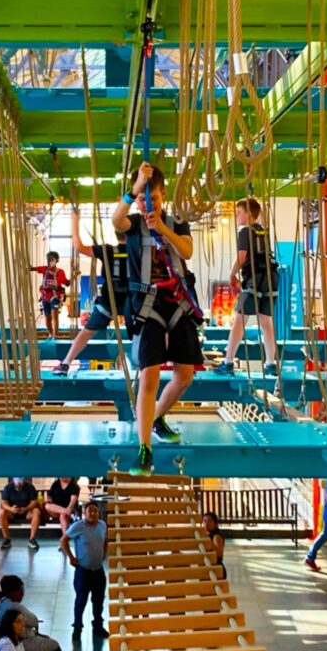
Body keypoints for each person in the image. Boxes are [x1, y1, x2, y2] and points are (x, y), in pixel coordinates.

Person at [112, 162, 204, 477]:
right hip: (148, 302)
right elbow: (115, 219)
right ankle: (144, 449)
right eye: (141, 199)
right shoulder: (133, 224)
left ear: (163, 195)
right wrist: (135, 187)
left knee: (185, 375)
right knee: (149, 375)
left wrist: (162, 228)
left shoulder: (177, 222)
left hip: (177, 299)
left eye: (152, 198)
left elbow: (188, 251)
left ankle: (155, 417)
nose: (146, 204)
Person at [54, 208, 128, 375]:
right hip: (132, 303)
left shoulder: (107, 250)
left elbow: (79, 246)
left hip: (108, 303)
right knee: (149, 332)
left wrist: (75, 219)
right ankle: (170, 365)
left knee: (86, 333)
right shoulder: (139, 251)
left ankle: (66, 363)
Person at [214, 197, 279, 376]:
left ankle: (227, 362)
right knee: (266, 322)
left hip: (254, 280)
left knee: (239, 321)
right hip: (270, 279)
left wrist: (232, 273)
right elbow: (262, 218)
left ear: (249, 214)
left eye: (239, 212)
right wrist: (260, 205)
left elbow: (242, 257)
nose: (237, 216)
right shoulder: (263, 231)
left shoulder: (244, 232)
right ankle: (271, 363)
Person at [60, 502, 108, 639]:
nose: (92, 514)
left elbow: (105, 540)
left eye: (95, 511)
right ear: (84, 513)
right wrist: (71, 557)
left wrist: (104, 553)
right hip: (83, 572)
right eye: (89, 511)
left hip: (98, 571)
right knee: (81, 600)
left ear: (98, 512)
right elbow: (64, 540)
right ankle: (77, 627)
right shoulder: (78, 526)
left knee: (98, 601)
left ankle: (98, 627)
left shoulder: (102, 525)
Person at [0, 575, 61, 651]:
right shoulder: (15, 608)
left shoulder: (2, 604)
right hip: (26, 641)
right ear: (12, 592)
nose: (23, 594)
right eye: (20, 591)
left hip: (22, 640)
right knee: (55, 649)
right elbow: (34, 621)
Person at [31, 252, 69, 339]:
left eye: (51, 259)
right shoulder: (44, 269)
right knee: (47, 317)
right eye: (48, 259)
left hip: (54, 296)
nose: (49, 261)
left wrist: (75, 276)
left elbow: (67, 283)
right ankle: (51, 333)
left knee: (54, 316)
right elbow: (33, 268)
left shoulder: (60, 272)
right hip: (45, 297)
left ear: (57, 260)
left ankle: (55, 334)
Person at [0, 477, 43, 550]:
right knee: (1, 513)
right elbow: (3, 503)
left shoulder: (30, 487)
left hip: (27, 512)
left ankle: (32, 539)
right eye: (17, 481)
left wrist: (25, 509)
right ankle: (6, 539)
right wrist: (11, 509)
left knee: (36, 511)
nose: (19, 483)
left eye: (20, 481)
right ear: (13, 480)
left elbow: (34, 502)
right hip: (12, 512)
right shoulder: (8, 487)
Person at [202, 511, 226, 579]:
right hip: (210, 568)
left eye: (209, 521)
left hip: (216, 569)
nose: (206, 523)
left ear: (215, 524)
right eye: (204, 521)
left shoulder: (216, 536)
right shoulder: (208, 535)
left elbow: (219, 554)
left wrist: (207, 542)